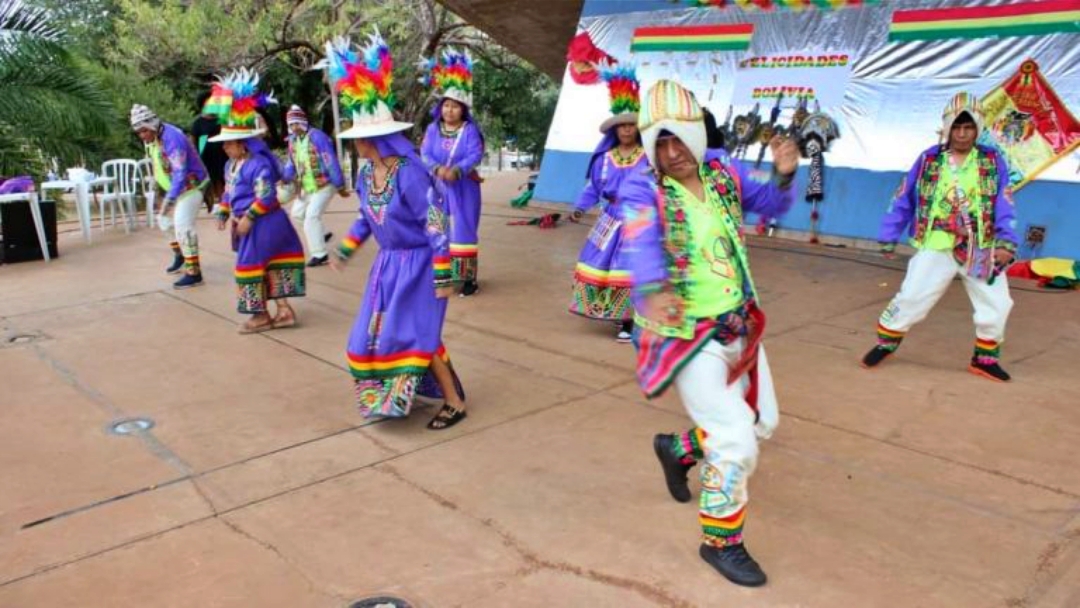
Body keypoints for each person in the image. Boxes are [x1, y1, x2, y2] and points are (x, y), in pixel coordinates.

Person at [620, 80, 799, 587]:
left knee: (761, 421)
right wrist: (653, 287)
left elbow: (771, 204)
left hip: (738, 325)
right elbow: (639, 240)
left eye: (680, 140)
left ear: (698, 135)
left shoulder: (722, 172)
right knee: (735, 440)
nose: (672, 154)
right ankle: (720, 541)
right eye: (661, 142)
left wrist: (785, 176)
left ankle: (677, 450)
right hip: (686, 337)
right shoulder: (643, 188)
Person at [326, 32, 467, 430]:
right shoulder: (368, 173)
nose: (356, 145)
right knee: (380, 333)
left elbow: (437, 223)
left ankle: (454, 402)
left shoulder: (410, 174)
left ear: (375, 138)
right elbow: (365, 218)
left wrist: (444, 274)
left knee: (419, 333)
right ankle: (415, 392)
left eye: (359, 139)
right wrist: (347, 249)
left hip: (420, 265)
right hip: (388, 267)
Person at [861, 92, 1017, 382]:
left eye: (968, 127)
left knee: (997, 302)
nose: (961, 134)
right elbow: (903, 196)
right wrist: (889, 232)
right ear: (946, 127)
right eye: (956, 127)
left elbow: (1003, 202)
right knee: (912, 296)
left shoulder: (993, 160)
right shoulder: (930, 158)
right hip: (936, 242)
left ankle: (984, 359)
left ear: (978, 129)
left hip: (979, 245)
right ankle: (887, 343)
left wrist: (1006, 241)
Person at [207, 69, 306, 334]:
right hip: (253, 224)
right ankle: (284, 311)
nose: (225, 148)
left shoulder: (258, 165)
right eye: (225, 144)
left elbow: (266, 196)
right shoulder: (232, 165)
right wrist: (224, 211)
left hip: (264, 223)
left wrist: (249, 217)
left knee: (250, 267)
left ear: (243, 143)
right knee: (269, 265)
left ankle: (260, 315)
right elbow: (229, 191)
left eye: (230, 143)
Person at [568, 63, 649, 342]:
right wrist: (580, 207)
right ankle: (612, 311)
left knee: (629, 266)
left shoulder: (648, 157)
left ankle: (628, 320)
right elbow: (593, 186)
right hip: (610, 216)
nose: (626, 129)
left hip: (638, 219)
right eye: (622, 125)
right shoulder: (604, 159)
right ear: (614, 129)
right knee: (598, 261)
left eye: (631, 124)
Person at [420, 49, 485, 296]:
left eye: (455, 106)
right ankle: (442, 275)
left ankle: (468, 279)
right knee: (437, 228)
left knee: (464, 229)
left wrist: (457, 171)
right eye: (446, 105)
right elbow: (425, 153)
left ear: (463, 110)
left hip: (464, 187)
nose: (449, 110)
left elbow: (474, 154)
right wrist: (437, 169)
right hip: (437, 188)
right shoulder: (432, 129)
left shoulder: (469, 130)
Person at [131, 104, 208, 289]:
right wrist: (161, 194)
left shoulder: (172, 138)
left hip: (191, 186)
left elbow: (180, 172)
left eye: (143, 131)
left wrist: (170, 200)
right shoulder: (154, 137)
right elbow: (159, 165)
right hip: (173, 188)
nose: (142, 136)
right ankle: (181, 255)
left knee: (183, 226)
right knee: (164, 221)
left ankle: (194, 272)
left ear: (152, 124)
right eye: (139, 132)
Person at [281, 104, 347, 267]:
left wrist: (339, 184)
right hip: (307, 186)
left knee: (311, 217)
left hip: (325, 184)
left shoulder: (318, 137)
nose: (294, 127)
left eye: (297, 123)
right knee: (297, 214)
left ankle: (320, 254)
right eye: (291, 124)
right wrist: (284, 177)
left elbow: (329, 160)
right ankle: (322, 234)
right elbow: (291, 164)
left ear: (303, 121)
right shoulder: (292, 142)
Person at [191, 91, 228, 212]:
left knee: (224, 178)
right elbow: (194, 142)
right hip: (206, 157)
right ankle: (213, 204)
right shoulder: (198, 123)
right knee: (211, 180)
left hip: (223, 154)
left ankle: (225, 202)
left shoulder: (223, 119)